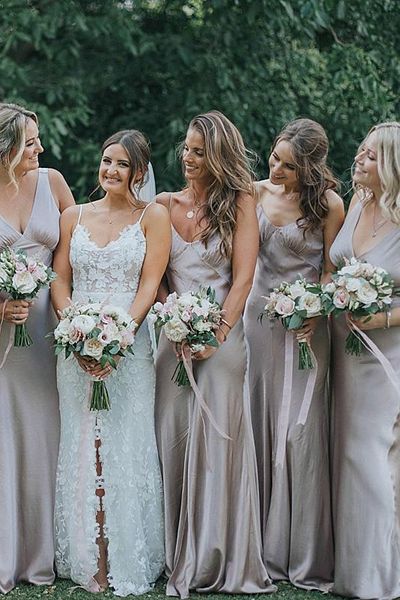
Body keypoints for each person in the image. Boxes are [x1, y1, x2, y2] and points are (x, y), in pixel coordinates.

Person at [155, 110, 276, 598]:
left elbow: (243, 278)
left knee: (218, 443)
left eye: (200, 152)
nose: (188, 158)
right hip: (172, 341)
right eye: (186, 149)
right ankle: (172, 551)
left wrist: (217, 333)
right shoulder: (163, 205)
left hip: (223, 340)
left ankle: (216, 554)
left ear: (219, 156)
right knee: (173, 437)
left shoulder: (241, 202)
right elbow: (156, 277)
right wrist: (174, 320)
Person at [51, 130, 170, 595]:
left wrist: (119, 338)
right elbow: (60, 281)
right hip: (75, 345)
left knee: (126, 441)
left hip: (129, 346)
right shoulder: (73, 216)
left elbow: (149, 285)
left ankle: (126, 553)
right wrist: (74, 331)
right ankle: (89, 556)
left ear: (139, 172)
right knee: (83, 442)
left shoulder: (152, 216)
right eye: (106, 161)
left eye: (122, 164)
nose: (111, 170)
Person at [244, 118, 344, 589]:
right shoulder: (254, 193)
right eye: (274, 157)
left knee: (298, 432)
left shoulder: (329, 205)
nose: (275, 169)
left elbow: (329, 269)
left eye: (287, 165)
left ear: (309, 167)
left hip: (306, 330)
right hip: (258, 325)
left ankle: (299, 550)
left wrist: (317, 310)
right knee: (259, 423)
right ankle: (258, 545)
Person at [0, 103, 75, 593]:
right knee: (6, 434)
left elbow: (76, 248)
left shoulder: (53, 182)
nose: (40, 149)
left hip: (51, 327)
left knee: (48, 432)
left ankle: (44, 551)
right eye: (30, 142)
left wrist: (75, 317)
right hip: (4, 336)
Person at [330, 122, 400, 599]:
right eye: (361, 151)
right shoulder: (356, 202)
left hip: (387, 351)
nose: (360, 159)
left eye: (372, 156)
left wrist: (384, 318)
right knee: (350, 455)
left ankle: (379, 578)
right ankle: (353, 571)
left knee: (371, 453)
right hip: (345, 348)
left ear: (392, 164)